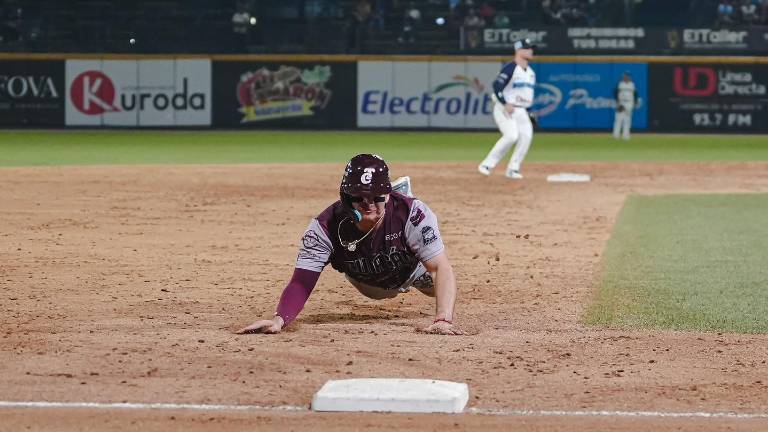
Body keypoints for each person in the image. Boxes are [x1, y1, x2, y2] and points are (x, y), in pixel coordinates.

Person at [236, 154, 462, 336]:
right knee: (382, 293)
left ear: (387, 194)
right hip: (366, 282)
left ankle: (403, 202)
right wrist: (279, 319)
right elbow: (302, 282)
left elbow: (440, 268)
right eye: (360, 197)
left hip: (411, 269)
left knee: (435, 289)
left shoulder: (413, 213)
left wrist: (443, 320)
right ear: (345, 197)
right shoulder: (324, 227)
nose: (369, 204)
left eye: (377, 196)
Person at [478, 38, 537, 180]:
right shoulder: (511, 68)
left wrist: (529, 112)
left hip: (521, 110)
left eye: (531, 48)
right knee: (511, 135)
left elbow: (526, 95)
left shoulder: (530, 72)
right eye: (527, 48)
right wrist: (505, 103)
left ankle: (513, 169)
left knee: (526, 137)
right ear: (518, 50)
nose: (531, 51)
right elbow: (496, 86)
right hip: (504, 108)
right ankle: (486, 164)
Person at [612, 71, 638, 141]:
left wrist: (635, 102)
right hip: (621, 102)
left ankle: (626, 135)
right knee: (618, 119)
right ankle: (616, 135)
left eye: (628, 76)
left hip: (629, 103)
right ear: (623, 76)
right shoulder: (620, 84)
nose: (627, 77)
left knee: (627, 120)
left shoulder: (632, 84)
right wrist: (617, 102)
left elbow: (635, 94)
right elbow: (615, 93)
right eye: (625, 76)